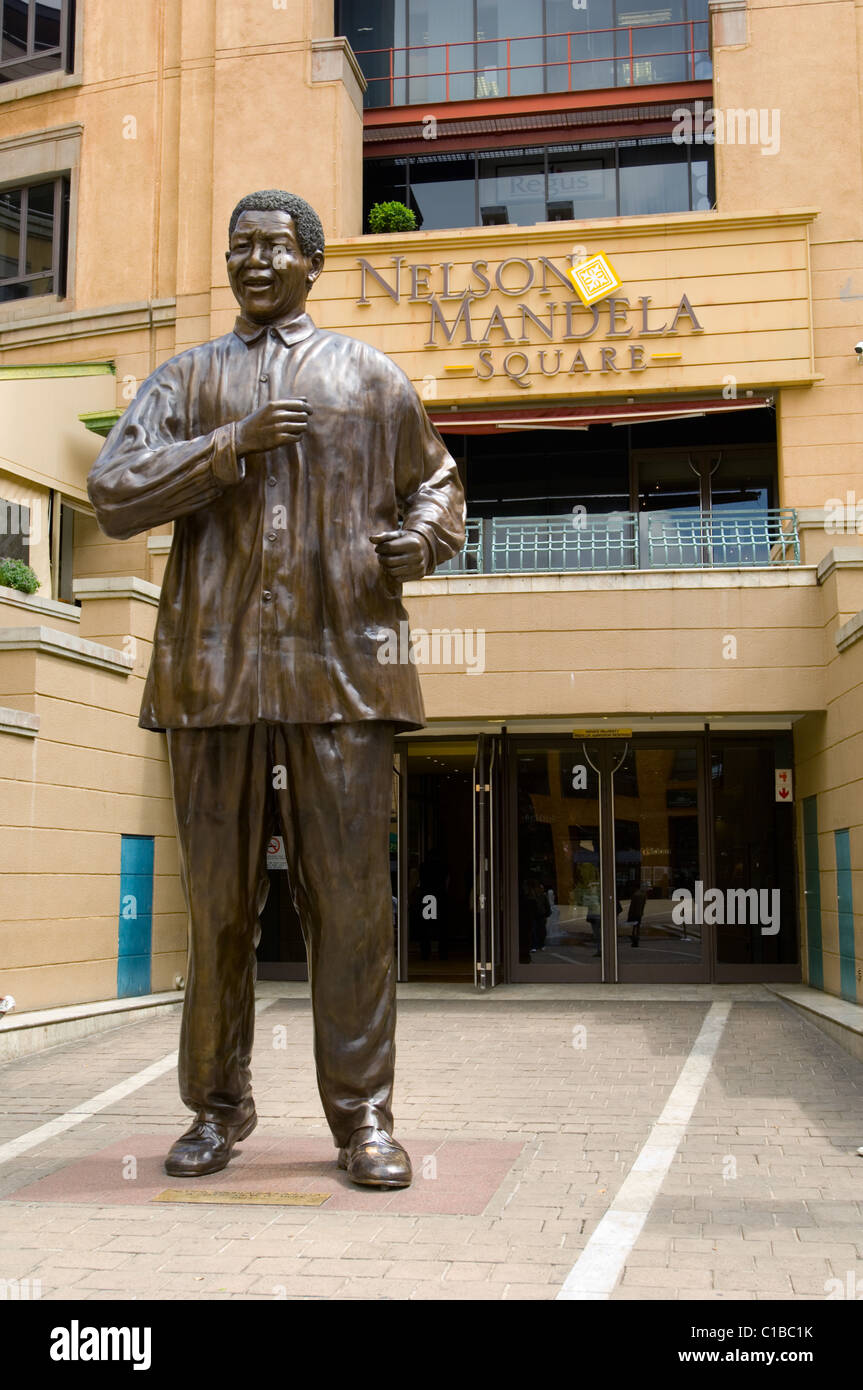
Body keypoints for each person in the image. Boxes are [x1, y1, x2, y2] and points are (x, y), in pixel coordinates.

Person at [87, 189, 465, 1188]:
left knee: (349, 906)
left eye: (272, 246)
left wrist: (416, 541)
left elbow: (439, 489)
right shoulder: (187, 377)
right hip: (210, 676)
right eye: (237, 247)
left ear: (311, 260)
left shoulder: (367, 377)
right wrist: (227, 447)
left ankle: (364, 1115)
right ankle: (215, 1107)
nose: (253, 261)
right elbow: (115, 492)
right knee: (216, 908)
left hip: (344, 671)